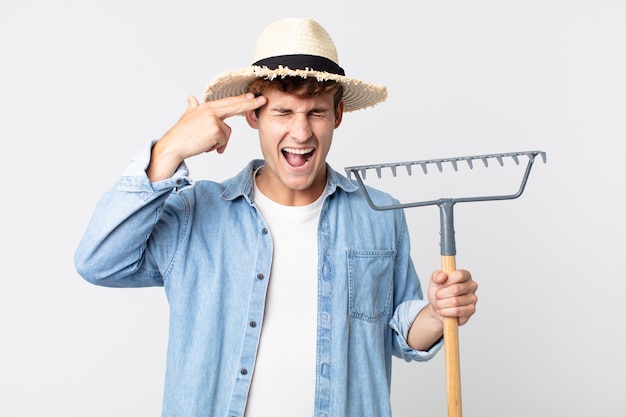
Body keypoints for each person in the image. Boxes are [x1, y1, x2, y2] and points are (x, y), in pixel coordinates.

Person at [74, 17, 478, 417]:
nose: (301, 133)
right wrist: (169, 149)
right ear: (253, 115)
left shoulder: (379, 214)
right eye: (283, 112)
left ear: (338, 114)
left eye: (316, 113)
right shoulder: (194, 215)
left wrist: (436, 313)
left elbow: (400, 331)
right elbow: (99, 261)